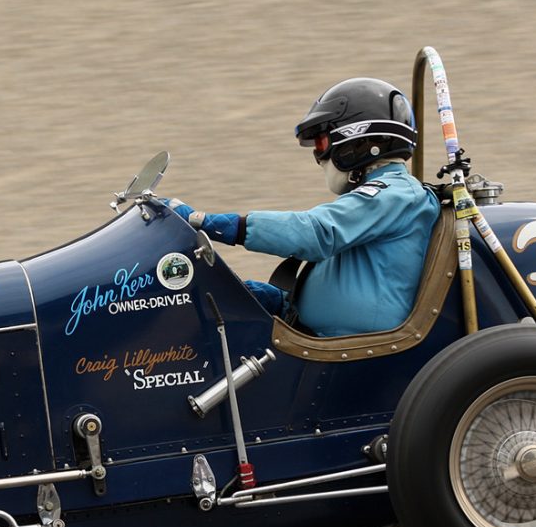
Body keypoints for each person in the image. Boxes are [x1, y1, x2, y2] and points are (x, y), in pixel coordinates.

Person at [169, 78, 441, 338]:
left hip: (354, 354)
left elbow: (316, 233)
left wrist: (209, 223)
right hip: (318, 336)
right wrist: (285, 301)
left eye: (322, 143)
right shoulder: (388, 197)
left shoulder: (395, 194)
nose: (318, 156)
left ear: (359, 140)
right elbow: (350, 273)